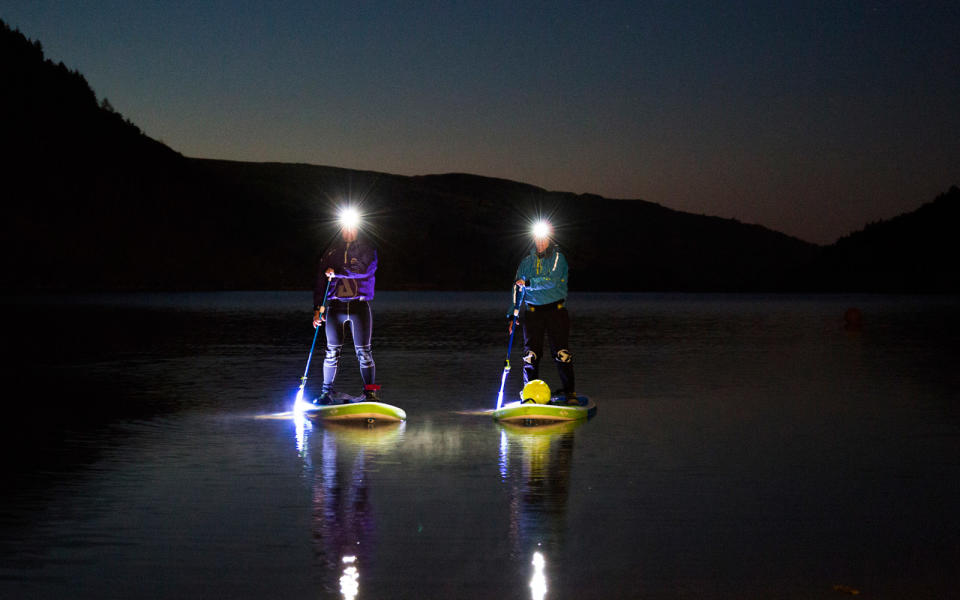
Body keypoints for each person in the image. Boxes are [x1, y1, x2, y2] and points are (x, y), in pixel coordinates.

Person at [312, 218, 379, 404]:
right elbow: (320, 281)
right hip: (335, 306)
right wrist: (318, 309)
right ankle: (327, 393)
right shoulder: (331, 250)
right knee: (331, 352)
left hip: (359, 306)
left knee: (364, 352)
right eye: (345, 228)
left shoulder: (367, 248)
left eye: (352, 228)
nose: (348, 231)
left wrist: (338, 271)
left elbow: (364, 269)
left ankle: (370, 394)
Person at [513, 224, 577, 404]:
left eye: (544, 238)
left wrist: (529, 282)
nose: (540, 242)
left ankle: (570, 393)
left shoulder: (558, 258)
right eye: (538, 238)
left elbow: (552, 280)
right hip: (533, 313)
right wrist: (513, 314)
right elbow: (517, 288)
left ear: (550, 239)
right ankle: (530, 395)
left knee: (562, 353)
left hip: (555, 311)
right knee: (530, 355)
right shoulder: (526, 262)